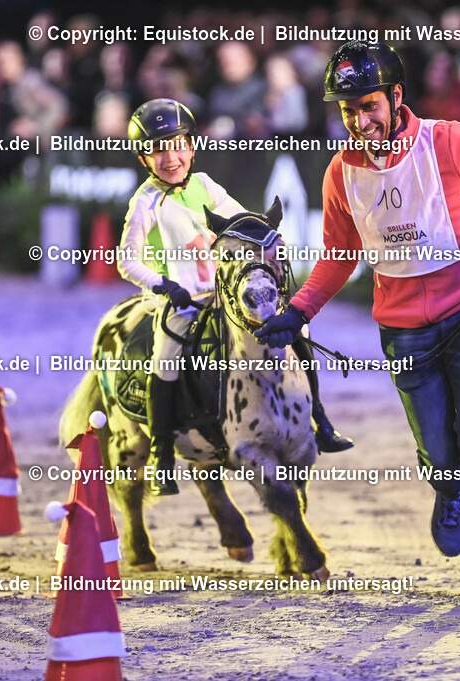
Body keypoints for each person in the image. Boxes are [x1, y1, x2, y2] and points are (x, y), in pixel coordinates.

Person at [255, 42, 460, 602]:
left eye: (368, 105)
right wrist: (297, 311)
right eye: (347, 110)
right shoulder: (339, 172)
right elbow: (339, 254)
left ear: (397, 97)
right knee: (441, 454)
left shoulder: (449, 141)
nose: (359, 120)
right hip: (404, 332)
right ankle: (448, 489)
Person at [118, 99, 351, 497]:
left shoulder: (206, 185)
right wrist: (163, 286)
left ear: (191, 147)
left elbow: (242, 224)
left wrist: (263, 232)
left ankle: (319, 419)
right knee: (166, 356)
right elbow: (126, 260)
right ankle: (161, 454)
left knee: (295, 326)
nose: (171, 157)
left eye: (177, 145)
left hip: (222, 293)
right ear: (144, 157)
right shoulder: (144, 203)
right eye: (158, 149)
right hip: (179, 302)